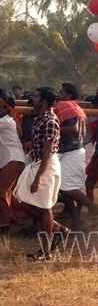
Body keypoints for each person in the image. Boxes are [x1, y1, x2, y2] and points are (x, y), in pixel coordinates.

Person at [12, 87, 66, 261]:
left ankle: (45, 251)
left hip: (45, 167)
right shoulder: (40, 118)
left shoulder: (49, 121)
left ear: (43, 101)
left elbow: (48, 152)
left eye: (36, 96)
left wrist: (39, 177)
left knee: (44, 208)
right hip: (37, 164)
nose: (33, 99)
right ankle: (57, 229)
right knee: (18, 199)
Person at [55, 83, 98, 228]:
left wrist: (53, 127)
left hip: (72, 151)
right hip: (72, 151)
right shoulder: (74, 106)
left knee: (66, 188)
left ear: (68, 95)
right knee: (65, 188)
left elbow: (74, 129)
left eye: (61, 91)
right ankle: (77, 222)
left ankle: (96, 209)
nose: (58, 93)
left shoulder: (65, 105)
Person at [0, 89, 26, 235]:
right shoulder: (6, 120)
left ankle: (4, 225)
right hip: (12, 159)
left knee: (1, 192)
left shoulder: (6, 122)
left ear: (6, 108)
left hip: (13, 159)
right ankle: (8, 218)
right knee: (7, 193)